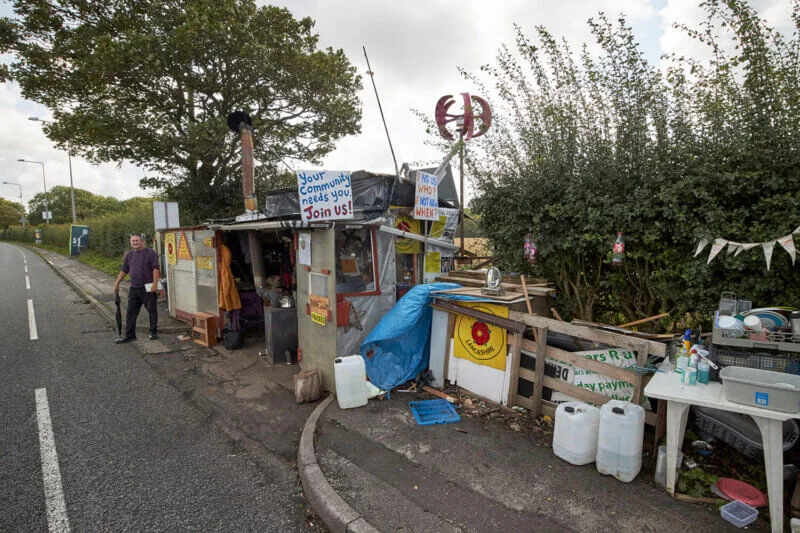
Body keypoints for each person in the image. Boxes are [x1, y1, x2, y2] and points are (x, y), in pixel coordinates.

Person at [113, 234, 161, 343]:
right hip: (134, 288)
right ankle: (130, 335)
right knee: (130, 312)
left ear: (142, 241)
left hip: (147, 287)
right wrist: (116, 283)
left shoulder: (150, 253)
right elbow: (124, 270)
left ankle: (153, 332)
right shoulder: (129, 255)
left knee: (152, 310)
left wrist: (155, 284)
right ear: (131, 243)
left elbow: (155, 268)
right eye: (133, 241)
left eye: (137, 240)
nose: (135, 242)